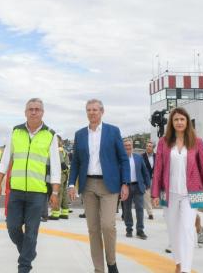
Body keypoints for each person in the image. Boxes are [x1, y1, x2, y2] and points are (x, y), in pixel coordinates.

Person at [0, 98, 61, 273]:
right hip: (16, 191)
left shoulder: (50, 135)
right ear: (25, 112)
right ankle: (29, 252)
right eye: (30, 109)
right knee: (13, 227)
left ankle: (24, 267)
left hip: (37, 193)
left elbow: (55, 166)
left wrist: (54, 192)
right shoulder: (16, 132)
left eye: (37, 109)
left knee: (31, 232)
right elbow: (5, 159)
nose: (33, 112)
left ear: (42, 113)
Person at [151, 107, 203, 273]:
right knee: (173, 231)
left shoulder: (197, 142)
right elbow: (158, 169)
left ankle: (185, 269)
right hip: (170, 194)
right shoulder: (164, 142)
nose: (179, 122)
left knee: (187, 230)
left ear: (187, 122)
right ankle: (179, 263)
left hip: (191, 194)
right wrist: (154, 193)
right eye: (176, 120)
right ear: (171, 123)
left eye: (182, 119)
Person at [68, 99, 130, 273]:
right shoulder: (80, 134)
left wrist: (125, 183)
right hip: (88, 185)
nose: (92, 112)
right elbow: (76, 163)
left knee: (108, 225)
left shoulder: (113, 131)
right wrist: (71, 184)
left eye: (95, 109)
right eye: (89, 110)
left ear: (102, 111)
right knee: (93, 229)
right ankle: (98, 269)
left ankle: (111, 263)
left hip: (109, 185)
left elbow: (123, 159)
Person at [121, 138, 150, 239]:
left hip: (138, 186)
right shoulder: (120, 159)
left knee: (140, 209)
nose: (128, 147)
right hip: (126, 187)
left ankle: (140, 230)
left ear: (132, 146)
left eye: (129, 145)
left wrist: (147, 184)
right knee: (127, 209)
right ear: (123, 147)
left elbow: (145, 171)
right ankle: (129, 229)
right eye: (126, 146)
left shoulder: (138, 158)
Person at [49, 136, 70, 220]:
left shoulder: (57, 150)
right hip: (64, 174)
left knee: (57, 193)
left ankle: (55, 213)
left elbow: (61, 162)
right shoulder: (63, 150)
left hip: (59, 174)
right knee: (64, 193)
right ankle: (65, 212)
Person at [141, 141, 156, 220]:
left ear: (153, 148)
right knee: (146, 196)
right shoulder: (142, 156)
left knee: (155, 196)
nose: (148, 147)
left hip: (155, 179)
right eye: (147, 146)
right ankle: (150, 213)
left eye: (150, 146)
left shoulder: (157, 156)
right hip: (145, 179)